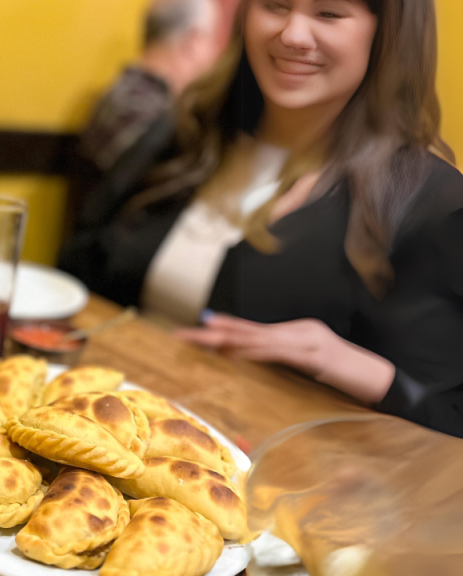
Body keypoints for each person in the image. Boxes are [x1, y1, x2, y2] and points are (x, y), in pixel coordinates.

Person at [59, 0, 463, 437]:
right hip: (109, 431)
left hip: (284, 486)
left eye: (328, 14)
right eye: (275, 5)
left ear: (387, 36)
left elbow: (449, 420)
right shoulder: (182, 135)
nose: (292, 35)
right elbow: (77, 279)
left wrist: (348, 363)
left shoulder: (428, 201)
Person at [77, 0, 222, 212]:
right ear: (194, 40)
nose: (213, 56)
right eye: (212, 41)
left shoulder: (123, 96)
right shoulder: (151, 113)